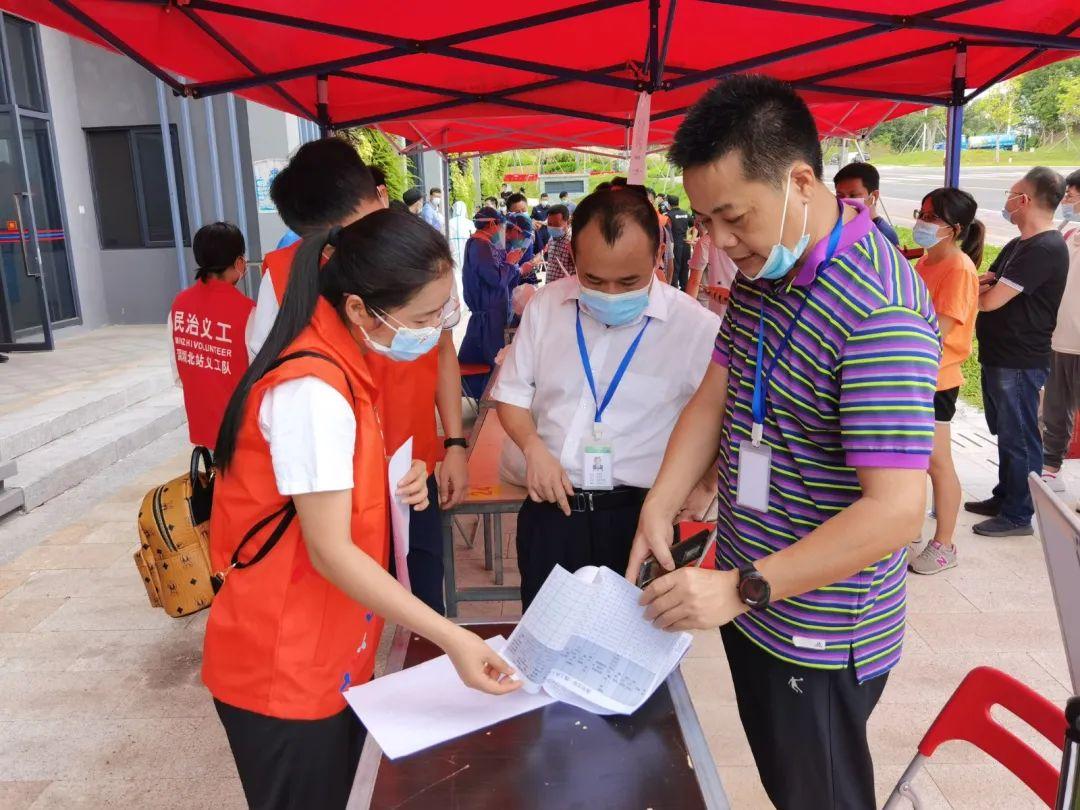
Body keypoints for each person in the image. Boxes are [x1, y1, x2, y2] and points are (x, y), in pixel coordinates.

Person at [629, 75, 938, 810]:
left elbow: (897, 511)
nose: (718, 242)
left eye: (733, 217)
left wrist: (741, 588)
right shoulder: (769, 269)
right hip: (751, 597)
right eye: (704, 220)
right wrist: (660, 502)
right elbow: (716, 393)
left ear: (800, 181)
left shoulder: (879, 311)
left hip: (816, 627)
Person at [204, 210, 519, 810]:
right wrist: (451, 637)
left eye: (442, 315)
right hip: (285, 664)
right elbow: (329, 550)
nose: (434, 333)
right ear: (359, 309)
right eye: (423, 319)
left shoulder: (345, 363)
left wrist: (403, 478)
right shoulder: (313, 390)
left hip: (327, 649)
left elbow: (328, 486)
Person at [252, 139, 469, 615]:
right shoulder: (285, 286)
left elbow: (443, 352)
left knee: (421, 598)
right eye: (336, 241)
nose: (356, 251)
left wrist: (453, 443)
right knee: (344, 608)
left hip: (413, 470)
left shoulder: (424, 261)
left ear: (381, 194)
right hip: (337, 488)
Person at [493, 189, 720, 609]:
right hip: (553, 512)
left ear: (657, 257)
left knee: (637, 639)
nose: (611, 294)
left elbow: (720, 417)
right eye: (594, 281)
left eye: (629, 282)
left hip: (641, 518)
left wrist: (705, 485)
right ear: (574, 258)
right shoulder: (546, 307)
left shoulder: (696, 328)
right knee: (546, 637)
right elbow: (511, 395)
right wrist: (533, 448)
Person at [966, 166, 1069, 536]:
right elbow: (984, 281)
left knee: (1021, 436)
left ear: (1024, 200)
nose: (1007, 201)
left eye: (1011, 194)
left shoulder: (1045, 248)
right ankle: (1006, 494)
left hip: (1020, 359)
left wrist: (975, 291)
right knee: (1007, 433)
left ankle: (1019, 514)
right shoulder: (1019, 244)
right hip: (1000, 354)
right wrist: (978, 288)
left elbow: (990, 299)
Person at [907, 189, 984, 575]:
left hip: (936, 380)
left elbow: (940, 330)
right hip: (913, 374)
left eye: (931, 217)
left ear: (954, 228)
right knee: (913, 461)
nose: (922, 222)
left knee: (937, 462)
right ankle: (909, 532)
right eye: (921, 214)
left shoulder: (958, 268)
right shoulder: (925, 261)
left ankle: (945, 544)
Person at [169, 222, 254, 452]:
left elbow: (178, 372)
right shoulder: (248, 311)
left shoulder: (179, 304)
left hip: (203, 424)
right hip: (242, 431)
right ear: (239, 262)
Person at [458, 206, 536, 398]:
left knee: (493, 359)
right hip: (488, 316)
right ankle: (487, 401)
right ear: (492, 224)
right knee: (492, 360)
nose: (503, 230)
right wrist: (511, 264)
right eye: (501, 226)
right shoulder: (480, 246)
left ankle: (488, 398)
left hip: (494, 312)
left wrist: (514, 268)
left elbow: (501, 277)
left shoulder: (486, 246)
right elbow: (496, 279)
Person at [1041, 170, 1080, 496]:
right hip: (1058, 339)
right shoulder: (1066, 233)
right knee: (1055, 409)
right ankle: (1052, 468)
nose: (1065, 201)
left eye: (1070, 195)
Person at [833, 161, 900, 247]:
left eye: (853, 195)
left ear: (874, 196)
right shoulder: (843, 226)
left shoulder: (883, 235)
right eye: (840, 195)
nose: (845, 202)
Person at [686, 224, 738, 319]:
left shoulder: (705, 242)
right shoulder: (742, 238)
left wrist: (687, 313)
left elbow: (694, 281)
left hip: (715, 309)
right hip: (740, 307)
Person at [543, 204, 576, 282]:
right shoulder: (552, 238)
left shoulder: (573, 241)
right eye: (549, 224)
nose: (552, 227)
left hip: (566, 287)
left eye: (556, 224)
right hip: (550, 285)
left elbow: (581, 269)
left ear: (568, 222)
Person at [666, 194, 692, 290]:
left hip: (675, 244)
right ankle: (684, 288)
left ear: (669, 204)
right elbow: (694, 225)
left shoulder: (668, 216)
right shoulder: (686, 213)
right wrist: (691, 236)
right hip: (686, 244)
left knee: (675, 267)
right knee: (685, 267)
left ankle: (674, 289)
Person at [448, 199, 472, 274]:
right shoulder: (469, 223)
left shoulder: (449, 222)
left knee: (455, 271)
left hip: (453, 251)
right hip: (466, 251)